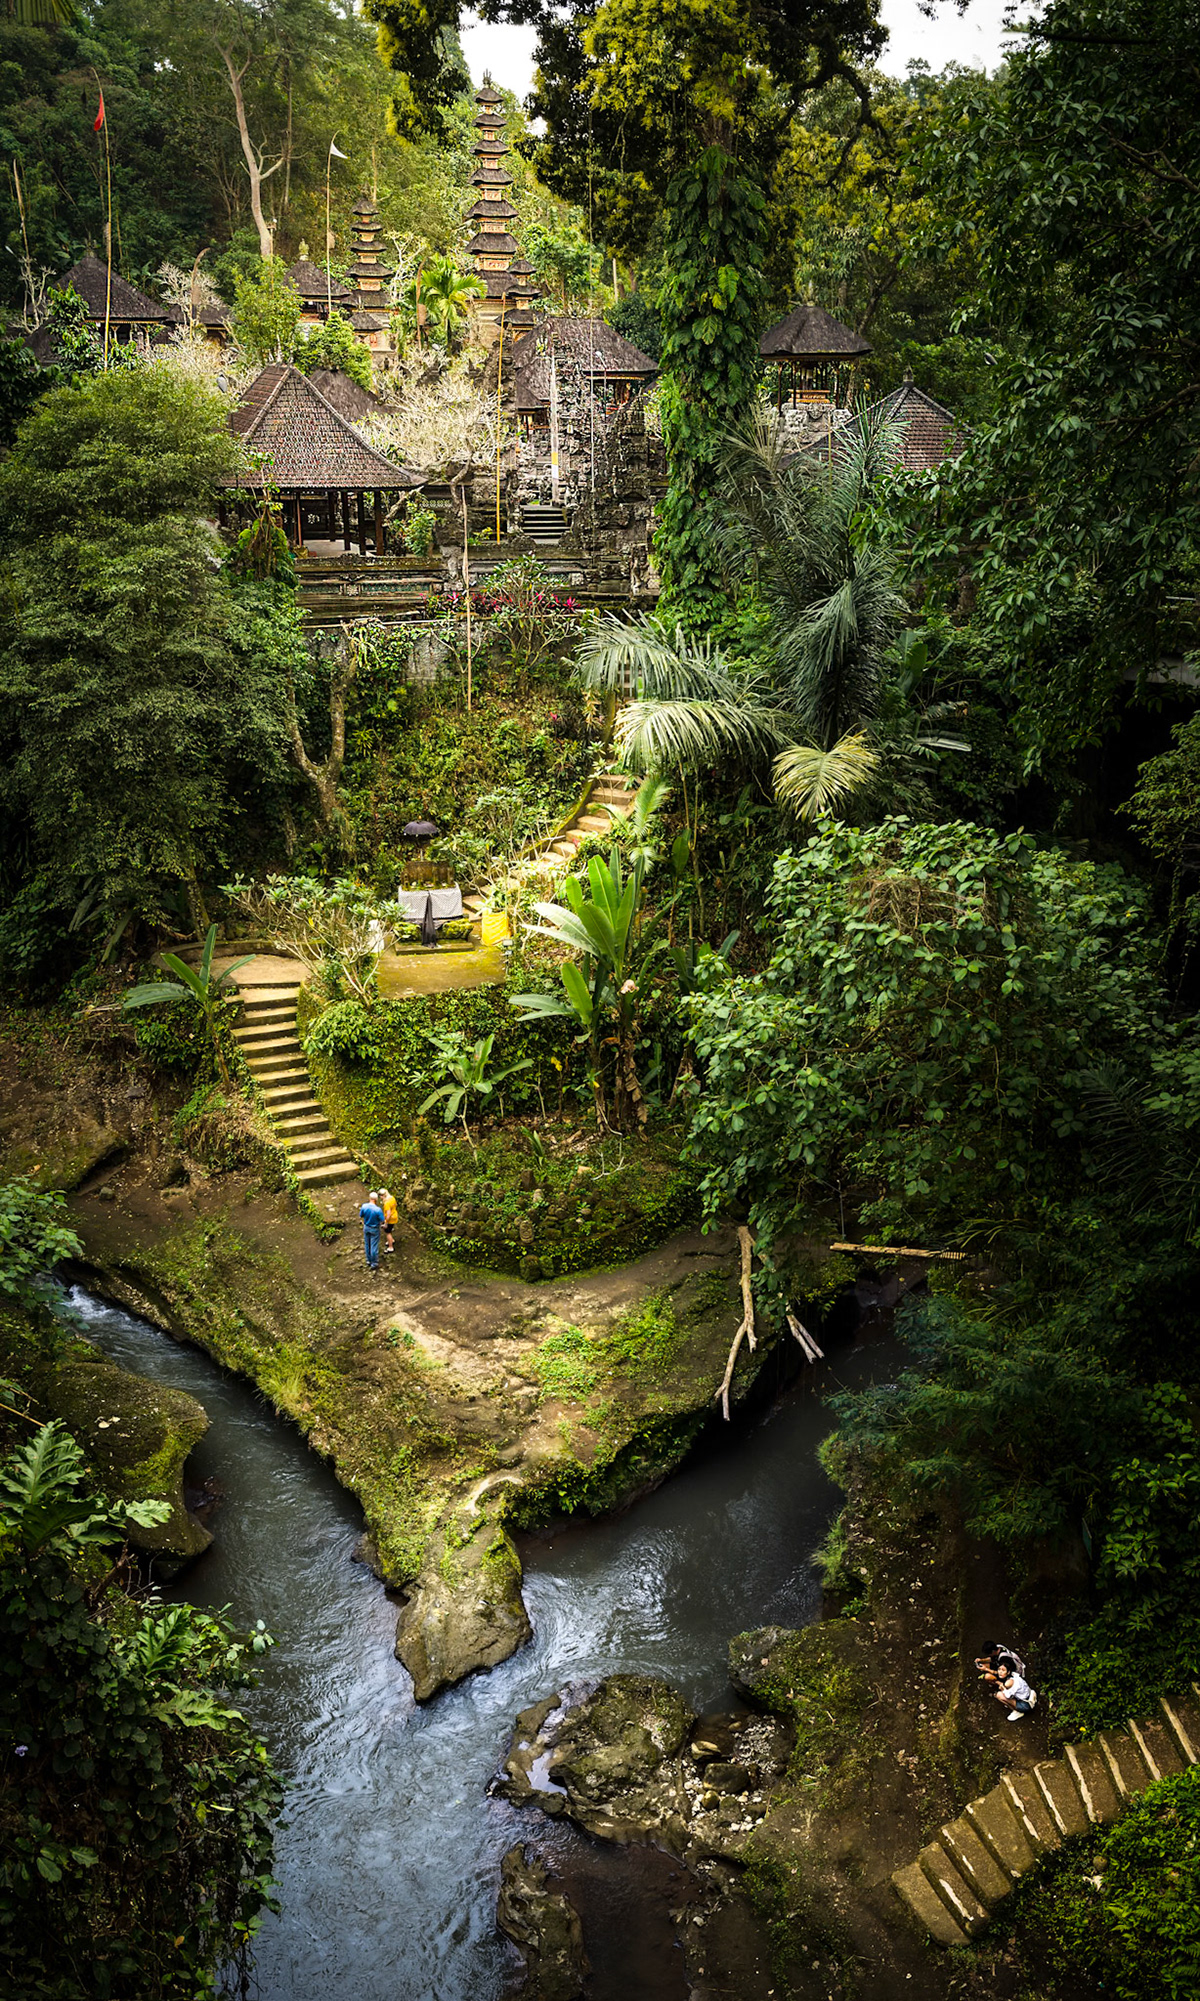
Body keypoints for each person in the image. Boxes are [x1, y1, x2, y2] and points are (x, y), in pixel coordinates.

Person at [359, 1191, 384, 1275]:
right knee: (374, 1245)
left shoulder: (364, 1206)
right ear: (376, 1199)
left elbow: (361, 1215)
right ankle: (374, 1263)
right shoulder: (378, 1210)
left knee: (367, 1244)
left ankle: (368, 1260)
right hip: (374, 1228)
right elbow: (382, 1220)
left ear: (369, 1198)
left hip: (366, 1227)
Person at [381, 1187, 399, 1255]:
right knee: (390, 1229)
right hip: (394, 1216)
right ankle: (391, 1240)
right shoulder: (392, 1198)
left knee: (388, 1232)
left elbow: (388, 1214)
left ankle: (390, 1246)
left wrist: (386, 1222)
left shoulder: (387, 1203)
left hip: (390, 1219)